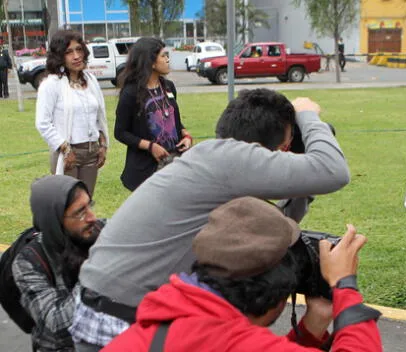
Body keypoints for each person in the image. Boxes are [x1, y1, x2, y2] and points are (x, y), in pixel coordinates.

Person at [70, 89, 350, 351]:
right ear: (257, 148)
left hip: (111, 307)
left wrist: (302, 187)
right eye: (285, 148)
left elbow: (269, 233)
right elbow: (333, 171)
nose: (285, 159)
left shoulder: (213, 164)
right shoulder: (228, 160)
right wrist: (307, 114)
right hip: (118, 319)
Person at [102, 197, 382, 351]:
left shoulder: (151, 331)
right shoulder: (230, 340)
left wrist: (311, 328)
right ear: (274, 301)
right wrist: (345, 286)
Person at [12, 175, 101, 352]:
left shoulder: (98, 232)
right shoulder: (28, 262)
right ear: (55, 220)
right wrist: (97, 270)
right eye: (80, 212)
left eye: (89, 205)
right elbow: (56, 324)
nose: (92, 217)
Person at [35, 30, 109, 196]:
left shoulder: (91, 81)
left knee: (85, 201)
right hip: (67, 153)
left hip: (91, 152)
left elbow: (99, 117)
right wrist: (65, 149)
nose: (76, 56)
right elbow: (43, 123)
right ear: (59, 56)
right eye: (69, 52)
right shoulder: (51, 84)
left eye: (79, 49)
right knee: (66, 204)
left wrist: (103, 144)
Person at [114, 37, 192, 191]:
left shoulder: (168, 87)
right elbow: (120, 132)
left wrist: (186, 136)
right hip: (146, 170)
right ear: (150, 62)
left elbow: (173, 121)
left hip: (173, 164)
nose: (167, 59)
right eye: (163, 56)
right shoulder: (131, 93)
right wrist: (150, 146)